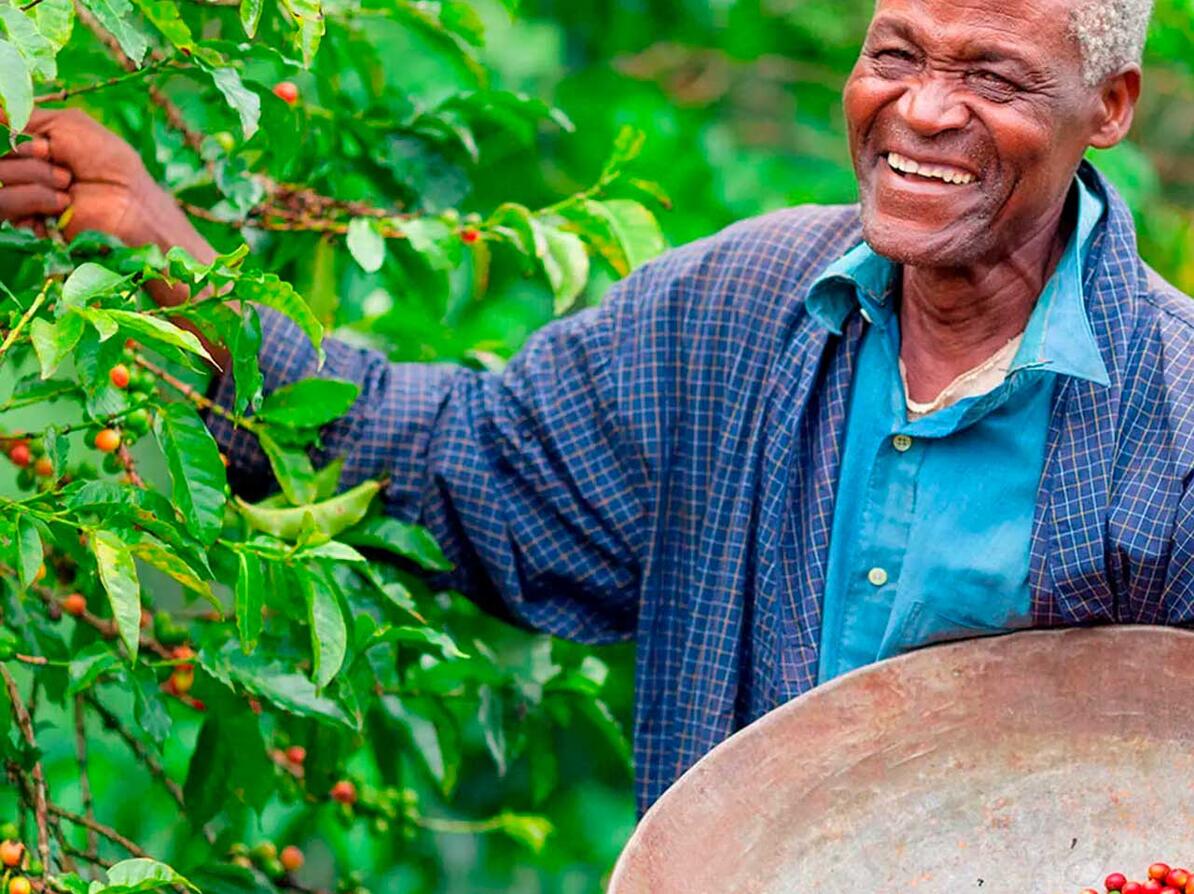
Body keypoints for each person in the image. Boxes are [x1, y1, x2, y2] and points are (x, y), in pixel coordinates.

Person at [0, 0, 1187, 817]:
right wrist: (173, 257)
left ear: (1111, 104)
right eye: (895, 57)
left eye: (991, 77)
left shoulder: (1176, 419)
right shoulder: (728, 315)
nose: (924, 112)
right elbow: (462, 462)